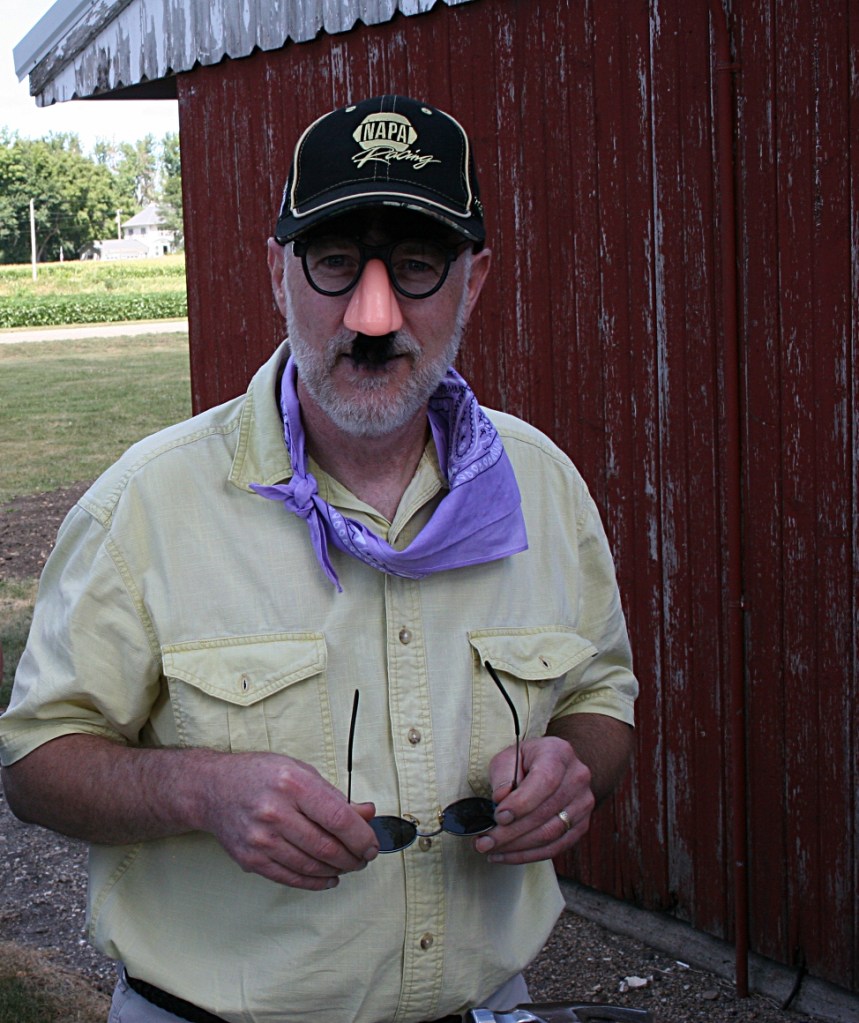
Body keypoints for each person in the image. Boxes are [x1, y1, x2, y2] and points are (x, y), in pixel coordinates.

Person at [0, 95, 638, 1023]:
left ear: (476, 279)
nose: (371, 316)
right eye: (335, 263)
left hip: (490, 1005)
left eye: (416, 267)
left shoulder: (544, 487)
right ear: (276, 271)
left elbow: (601, 697)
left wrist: (572, 765)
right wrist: (198, 788)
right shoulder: (145, 506)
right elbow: (33, 762)